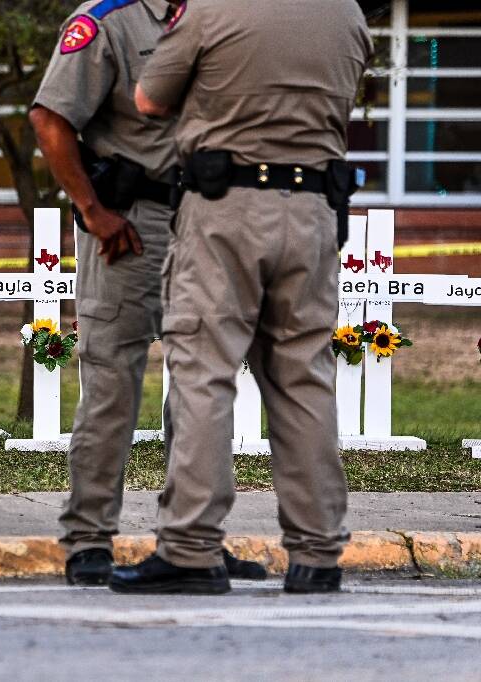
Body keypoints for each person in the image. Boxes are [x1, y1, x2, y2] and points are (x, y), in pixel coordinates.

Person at [112, 0, 373, 595]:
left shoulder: (211, 9)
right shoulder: (346, 13)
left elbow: (149, 99)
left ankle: (190, 548)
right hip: (314, 209)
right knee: (304, 376)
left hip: (226, 207)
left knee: (204, 370)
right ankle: (317, 553)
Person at [30, 0, 265, 587]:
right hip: (130, 225)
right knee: (111, 383)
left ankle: (193, 541)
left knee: (203, 386)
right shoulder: (108, 20)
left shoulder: (221, 16)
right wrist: (91, 210)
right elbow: (50, 118)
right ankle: (89, 540)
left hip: (207, 220)